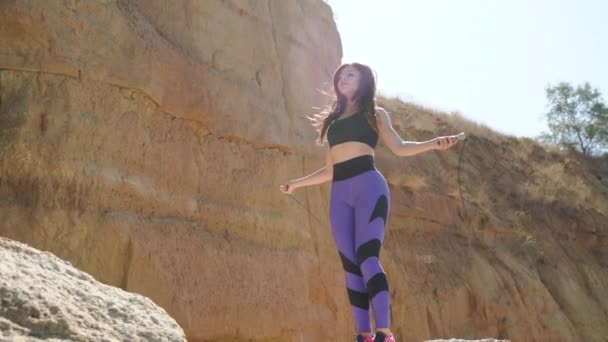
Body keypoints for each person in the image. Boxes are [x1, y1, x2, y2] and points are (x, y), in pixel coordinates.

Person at [279, 63, 460, 342]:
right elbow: (329, 170)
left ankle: (384, 333)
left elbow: (400, 147)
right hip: (339, 194)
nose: (343, 78)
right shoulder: (334, 122)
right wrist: (297, 183)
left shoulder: (375, 114)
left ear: (364, 81)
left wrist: (434, 143)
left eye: (350, 74)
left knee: (367, 258)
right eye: (340, 75)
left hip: (369, 187)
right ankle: (363, 335)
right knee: (350, 265)